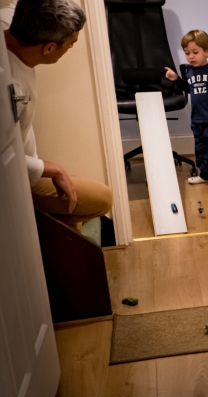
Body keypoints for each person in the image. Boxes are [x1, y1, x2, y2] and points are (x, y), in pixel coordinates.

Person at [2, 0, 112, 231]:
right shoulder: (7, 84)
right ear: (50, 47)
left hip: (29, 161)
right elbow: (5, 159)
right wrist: (51, 169)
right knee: (102, 200)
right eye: (71, 44)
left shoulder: (12, 23)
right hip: (16, 177)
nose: (72, 47)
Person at [165, 29, 208, 190]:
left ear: (207, 51)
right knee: (201, 149)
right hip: (197, 119)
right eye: (187, 53)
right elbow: (188, 89)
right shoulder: (188, 71)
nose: (191, 56)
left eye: (195, 52)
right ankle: (205, 175)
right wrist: (176, 79)